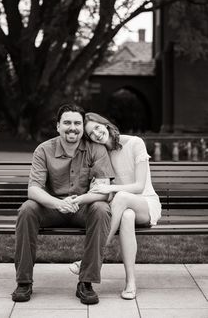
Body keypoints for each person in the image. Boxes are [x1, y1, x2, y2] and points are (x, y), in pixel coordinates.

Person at [12, 105, 114, 305]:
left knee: (102, 210)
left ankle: (86, 282)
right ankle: (24, 281)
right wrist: (59, 203)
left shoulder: (96, 149)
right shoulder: (43, 149)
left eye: (77, 123)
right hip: (52, 208)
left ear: (82, 128)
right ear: (58, 126)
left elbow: (103, 192)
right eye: (67, 122)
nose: (72, 128)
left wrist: (78, 200)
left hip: (83, 209)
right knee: (27, 209)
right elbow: (33, 190)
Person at [69, 112, 161, 300]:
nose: (96, 133)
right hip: (124, 208)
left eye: (97, 127)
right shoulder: (102, 154)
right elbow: (106, 191)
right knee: (126, 215)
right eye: (91, 134)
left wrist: (111, 188)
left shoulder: (135, 143)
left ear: (105, 124)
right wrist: (86, 195)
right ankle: (131, 283)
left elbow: (139, 186)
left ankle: (90, 258)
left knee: (121, 198)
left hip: (146, 203)